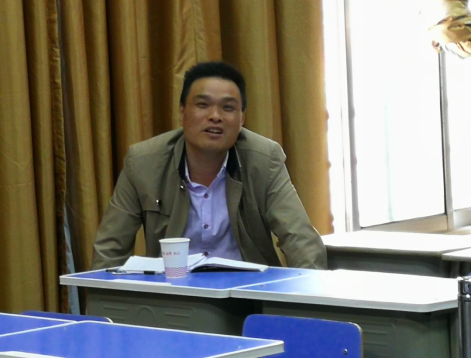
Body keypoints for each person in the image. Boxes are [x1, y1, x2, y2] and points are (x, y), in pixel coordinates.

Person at [91, 61, 327, 270]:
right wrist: (104, 303)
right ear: (182, 113)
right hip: (172, 293)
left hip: (248, 293)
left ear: (241, 119)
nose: (215, 116)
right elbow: (110, 249)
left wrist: (308, 301)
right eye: (203, 105)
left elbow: (300, 240)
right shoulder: (143, 163)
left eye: (228, 107)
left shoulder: (265, 160)